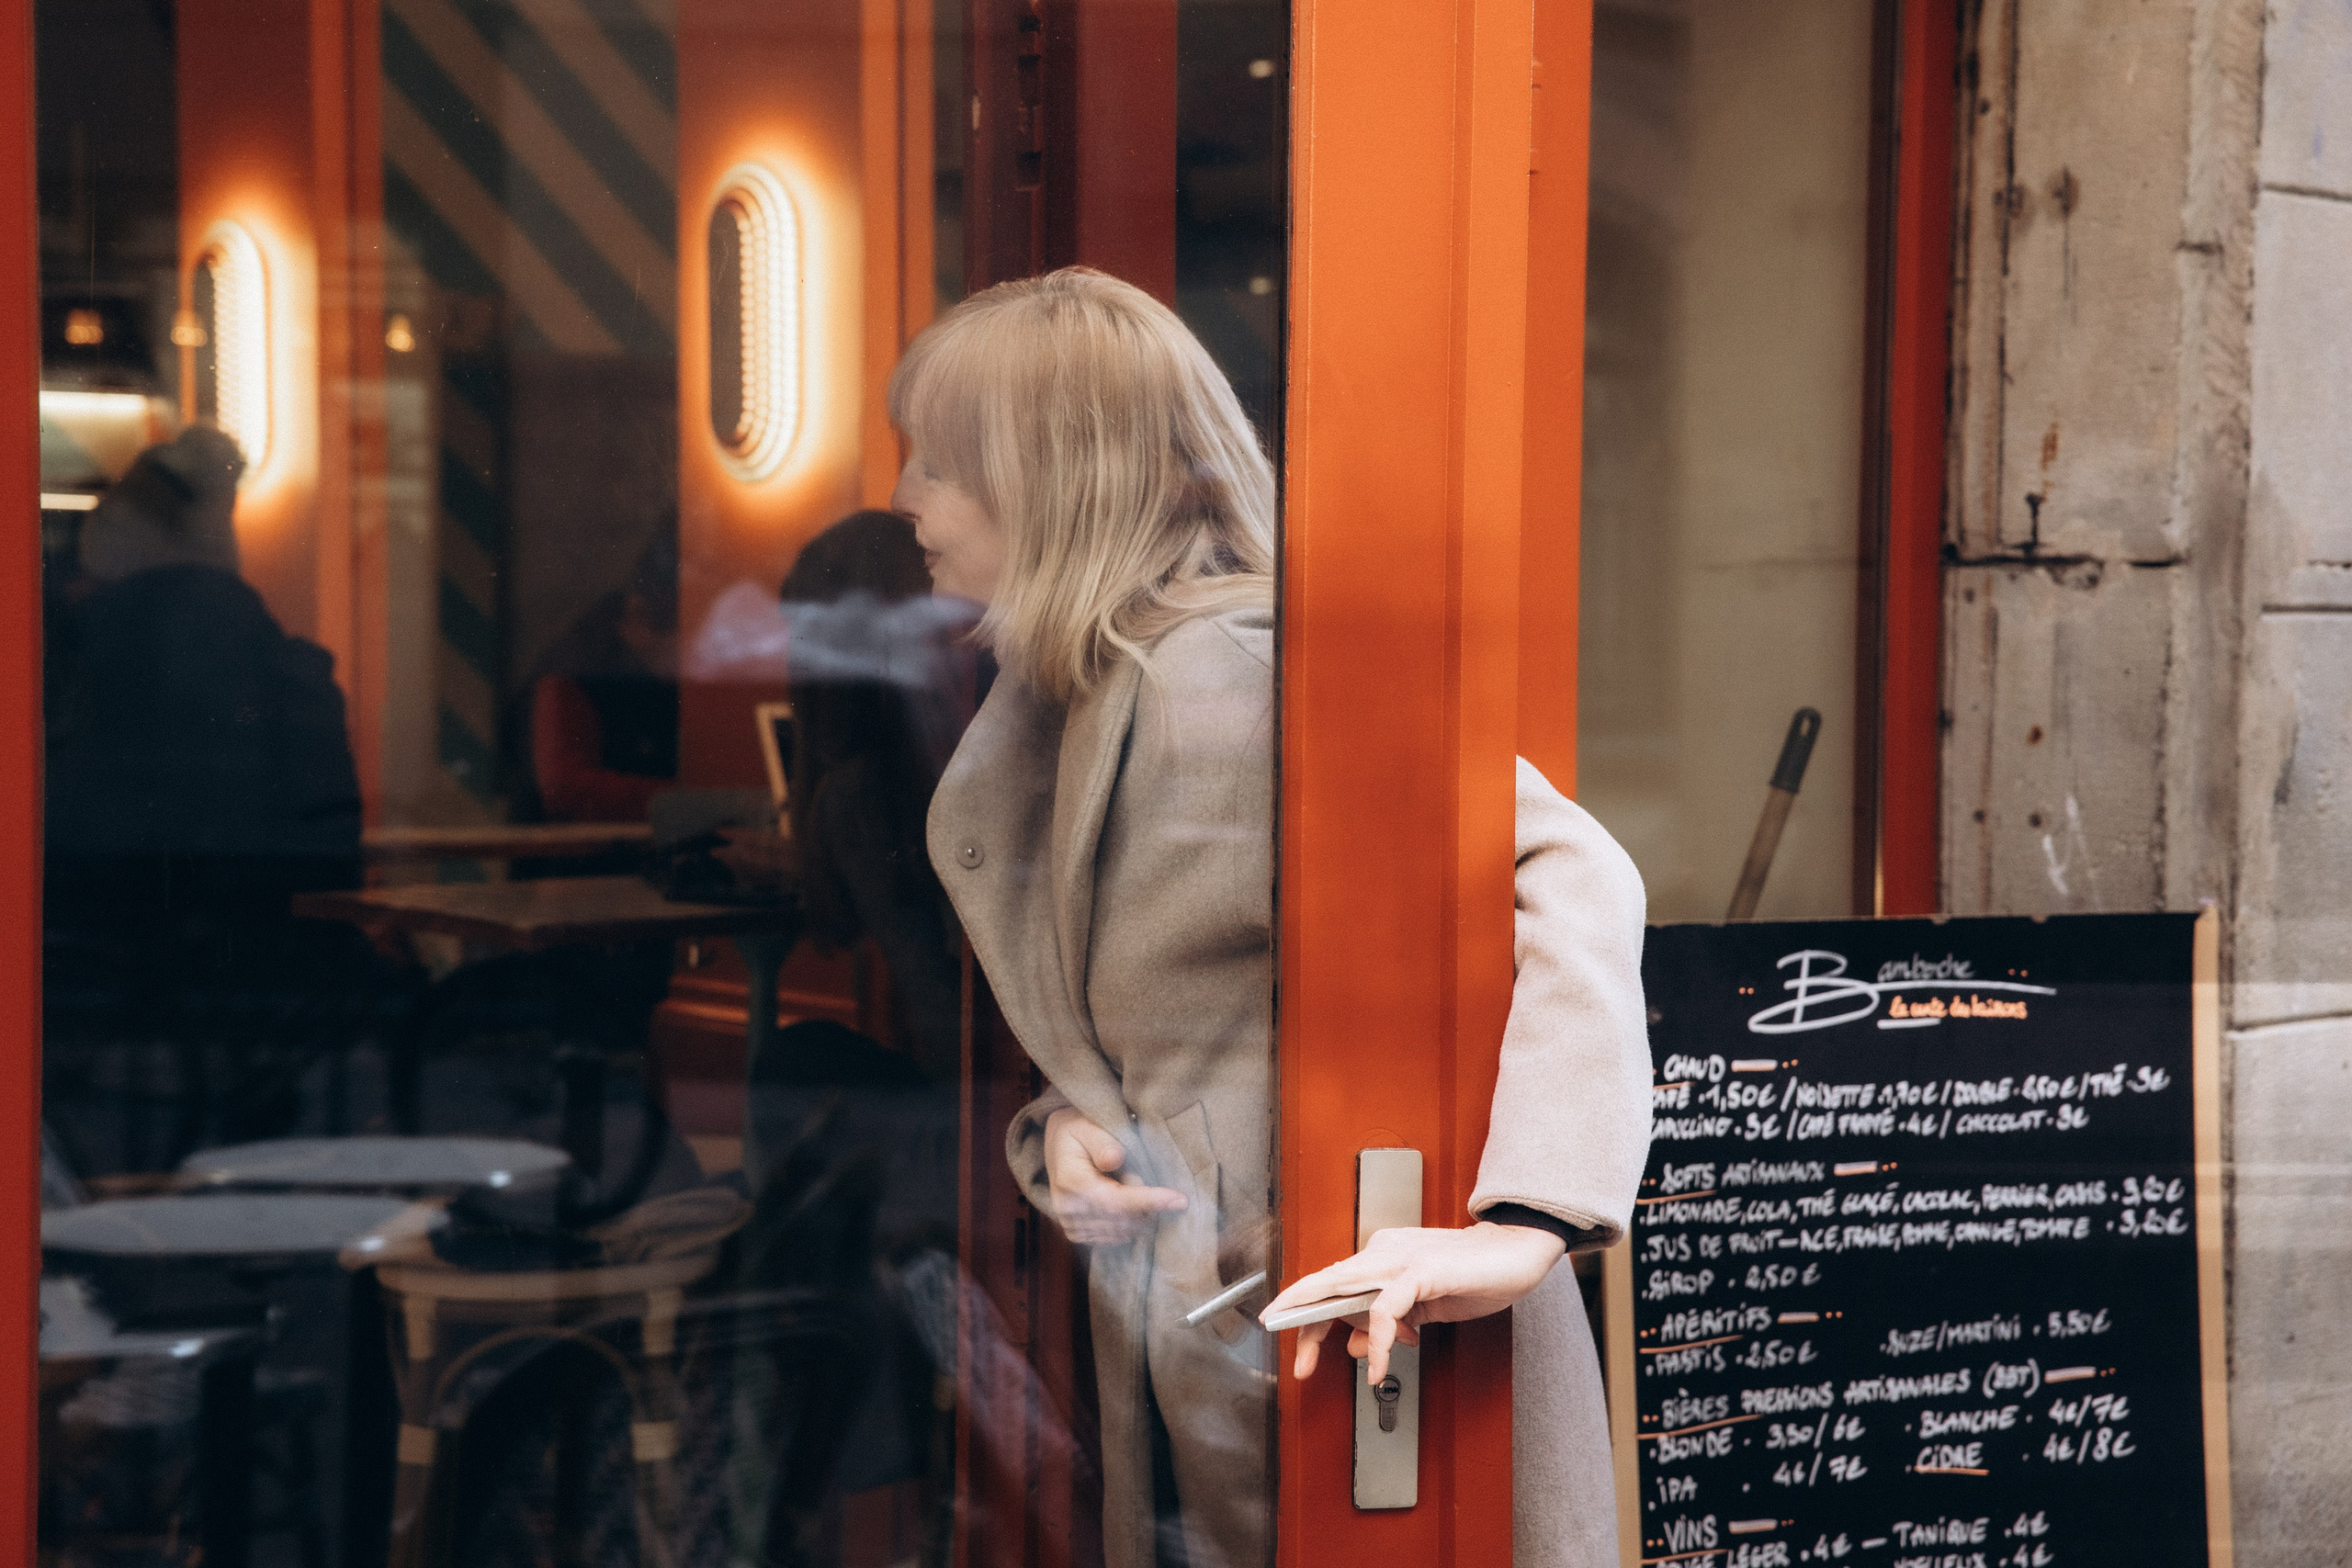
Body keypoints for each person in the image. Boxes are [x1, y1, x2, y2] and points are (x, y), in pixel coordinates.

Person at [892, 268, 1651, 1568]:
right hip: (1231, 1321)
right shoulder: (1095, 685)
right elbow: (1166, 1018)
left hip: (1338, 1336)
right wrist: (1079, 1127)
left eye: (938, 464)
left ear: (1048, 474)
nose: (906, 499)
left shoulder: (1233, 672)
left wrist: (1530, 1223)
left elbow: (1576, 869)